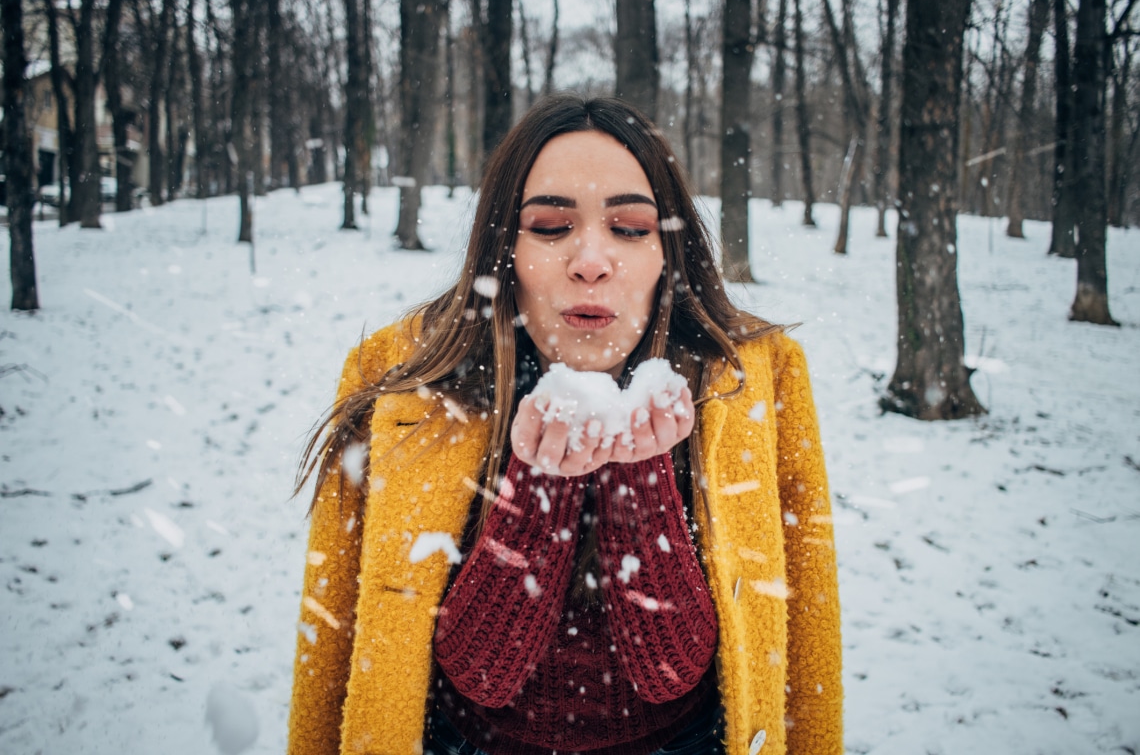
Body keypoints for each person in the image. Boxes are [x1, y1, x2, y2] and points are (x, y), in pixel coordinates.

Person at [287, 95, 842, 755]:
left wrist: (640, 478)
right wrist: (537, 491)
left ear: (669, 253)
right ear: (505, 251)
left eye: (631, 229)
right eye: (550, 227)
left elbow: (759, 668)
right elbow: (438, 674)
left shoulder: (750, 381)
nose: (590, 260)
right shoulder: (405, 380)